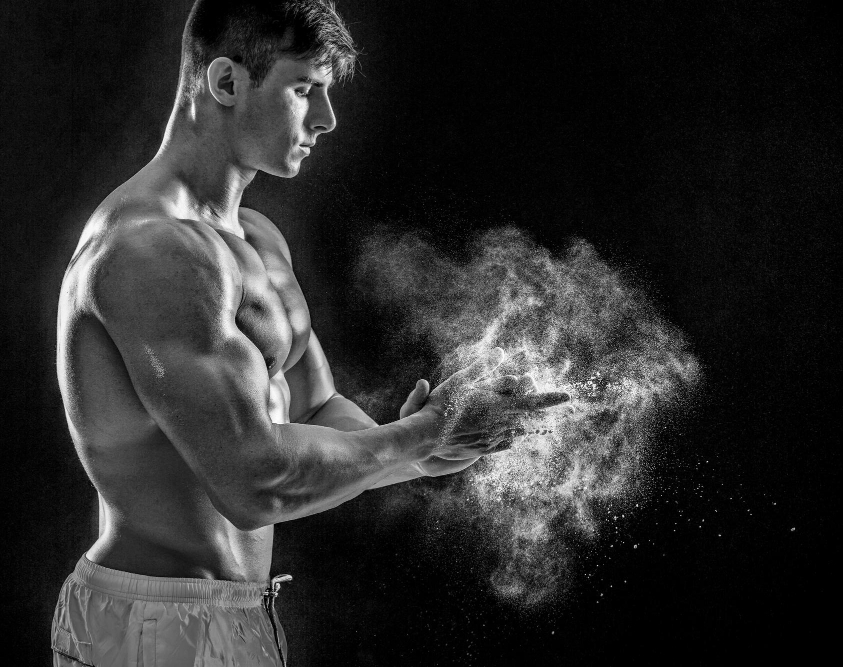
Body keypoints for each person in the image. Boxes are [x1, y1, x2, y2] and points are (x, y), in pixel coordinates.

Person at [51, 1, 569, 665]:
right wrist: (417, 434)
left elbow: (318, 410)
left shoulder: (257, 239)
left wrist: (429, 448)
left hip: (243, 616)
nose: (326, 118)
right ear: (227, 82)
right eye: (304, 89)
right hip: (148, 625)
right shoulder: (150, 252)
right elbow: (252, 483)